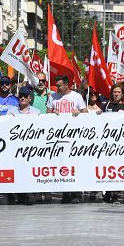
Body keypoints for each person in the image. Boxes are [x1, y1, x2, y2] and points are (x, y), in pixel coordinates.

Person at [47, 75, 86, 204]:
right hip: (59, 137)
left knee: (75, 165)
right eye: (56, 85)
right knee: (62, 164)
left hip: (74, 137)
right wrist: (53, 114)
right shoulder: (52, 97)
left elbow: (85, 113)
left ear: (66, 85)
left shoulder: (77, 97)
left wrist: (79, 113)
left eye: (59, 85)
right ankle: (65, 193)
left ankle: (76, 193)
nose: (57, 88)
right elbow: (47, 114)